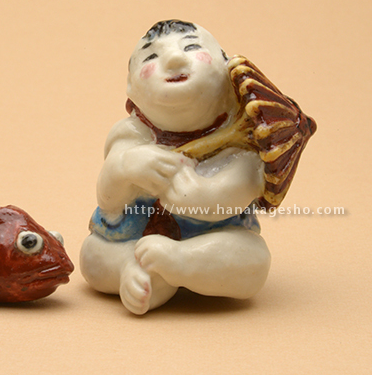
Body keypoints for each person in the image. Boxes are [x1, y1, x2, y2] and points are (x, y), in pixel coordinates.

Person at [80, 20, 271, 315]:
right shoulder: (129, 135)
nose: (173, 59)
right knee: (92, 254)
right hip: (133, 237)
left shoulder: (245, 141)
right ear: (131, 87)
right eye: (151, 56)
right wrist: (126, 166)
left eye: (191, 47)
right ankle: (130, 268)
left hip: (212, 239)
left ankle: (180, 262)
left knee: (255, 259)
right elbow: (109, 200)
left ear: (227, 69)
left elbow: (231, 197)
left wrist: (196, 196)